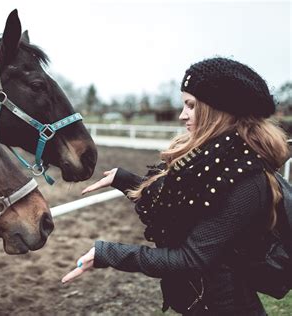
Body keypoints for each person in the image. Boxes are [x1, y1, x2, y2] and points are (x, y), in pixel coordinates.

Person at [61, 57, 290, 315]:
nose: (182, 115)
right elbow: (183, 209)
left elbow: (189, 259)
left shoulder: (246, 180)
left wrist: (108, 254)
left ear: (220, 109)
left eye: (191, 106)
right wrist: (123, 180)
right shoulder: (216, 162)